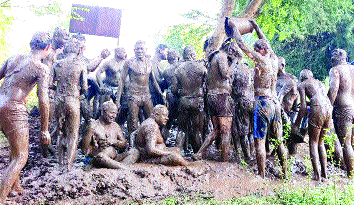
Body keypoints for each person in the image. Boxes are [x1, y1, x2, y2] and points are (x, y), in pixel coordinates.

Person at [225, 18, 287, 178]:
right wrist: (257, 27)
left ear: (262, 51)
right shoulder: (274, 59)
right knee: (278, 140)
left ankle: (262, 175)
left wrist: (233, 27)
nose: (255, 53)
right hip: (275, 104)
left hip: (263, 103)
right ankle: (286, 174)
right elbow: (265, 40)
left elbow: (241, 44)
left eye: (256, 50)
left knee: (259, 141)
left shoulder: (262, 59)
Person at [0, 32, 51, 204]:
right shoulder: (41, 67)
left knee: (15, 150)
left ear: (31, 44)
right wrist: (45, 129)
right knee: (21, 156)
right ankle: (1, 198)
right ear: (48, 48)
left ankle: (15, 187)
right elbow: (43, 100)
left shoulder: (13, 58)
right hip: (14, 109)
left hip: (1, 103)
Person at [193, 39, 237, 162]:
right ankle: (224, 161)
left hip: (212, 97)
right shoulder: (222, 56)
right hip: (221, 97)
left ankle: (199, 153)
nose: (233, 55)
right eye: (233, 52)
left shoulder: (213, 58)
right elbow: (226, 74)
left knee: (217, 130)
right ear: (230, 50)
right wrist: (234, 63)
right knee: (226, 131)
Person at [52, 37, 88, 171]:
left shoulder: (57, 63)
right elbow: (84, 87)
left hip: (59, 100)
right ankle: (68, 166)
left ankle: (60, 164)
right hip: (73, 100)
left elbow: (51, 84)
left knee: (61, 132)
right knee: (73, 134)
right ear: (78, 50)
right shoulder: (81, 64)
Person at [117, 40, 164, 135]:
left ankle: (150, 142)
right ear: (134, 50)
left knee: (151, 119)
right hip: (133, 95)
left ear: (146, 50)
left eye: (141, 48)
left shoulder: (149, 63)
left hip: (146, 95)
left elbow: (153, 81)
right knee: (133, 122)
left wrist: (161, 94)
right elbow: (121, 81)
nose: (139, 51)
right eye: (137, 49)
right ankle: (132, 145)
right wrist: (117, 100)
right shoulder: (129, 63)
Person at [293, 70, 332, 181]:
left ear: (301, 78)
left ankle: (317, 176)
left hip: (318, 108)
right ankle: (325, 175)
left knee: (313, 143)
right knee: (321, 143)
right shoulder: (319, 83)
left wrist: (296, 124)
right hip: (328, 108)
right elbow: (320, 97)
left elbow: (304, 107)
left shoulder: (302, 84)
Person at [82, 101, 139, 169]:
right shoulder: (93, 126)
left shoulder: (115, 126)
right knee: (101, 156)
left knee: (134, 152)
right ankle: (123, 168)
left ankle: (118, 168)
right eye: (112, 113)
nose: (114, 116)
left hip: (114, 159)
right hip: (100, 158)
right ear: (103, 112)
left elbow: (124, 144)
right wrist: (95, 146)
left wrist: (114, 141)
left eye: (115, 113)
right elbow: (85, 150)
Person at [171, 46, 207, 154]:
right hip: (198, 101)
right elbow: (207, 87)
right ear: (193, 54)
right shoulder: (202, 68)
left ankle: (177, 154)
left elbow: (174, 89)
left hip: (184, 101)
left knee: (181, 129)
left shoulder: (178, 69)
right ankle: (198, 155)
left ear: (184, 55)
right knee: (197, 131)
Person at [327, 48, 354, 177]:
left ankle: (351, 176)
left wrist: (327, 106)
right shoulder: (354, 69)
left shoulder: (335, 70)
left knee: (346, 143)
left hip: (344, 109)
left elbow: (333, 91)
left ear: (334, 59)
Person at [231, 49, 255, 161]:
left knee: (241, 132)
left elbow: (230, 86)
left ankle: (246, 157)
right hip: (251, 101)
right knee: (250, 130)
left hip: (240, 101)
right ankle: (252, 153)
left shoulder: (234, 69)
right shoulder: (249, 70)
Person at [95, 47, 127, 118]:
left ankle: (117, 124)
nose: (125, 53)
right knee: (103, 108)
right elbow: (98, 73)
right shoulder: (109, 62)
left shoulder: (125, 63)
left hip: (119, 88)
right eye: (123, 52)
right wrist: (101, 85)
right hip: (108, 86)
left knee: (121, 108)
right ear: (118, 53)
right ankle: (97, 121)